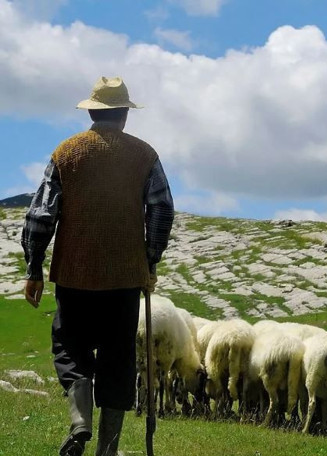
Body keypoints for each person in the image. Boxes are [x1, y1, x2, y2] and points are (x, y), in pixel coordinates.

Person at [21, 76, 174, 456]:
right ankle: (108, 448)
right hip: (124, 278)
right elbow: (161, 209)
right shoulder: (145, 156)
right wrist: (149, 260)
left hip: (74, 275)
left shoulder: (67, 153)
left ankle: (79, 422)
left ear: (91, 111)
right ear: (124, 114)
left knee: (70, 348)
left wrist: (34, 267)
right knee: (118, 357)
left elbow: (41, 214)